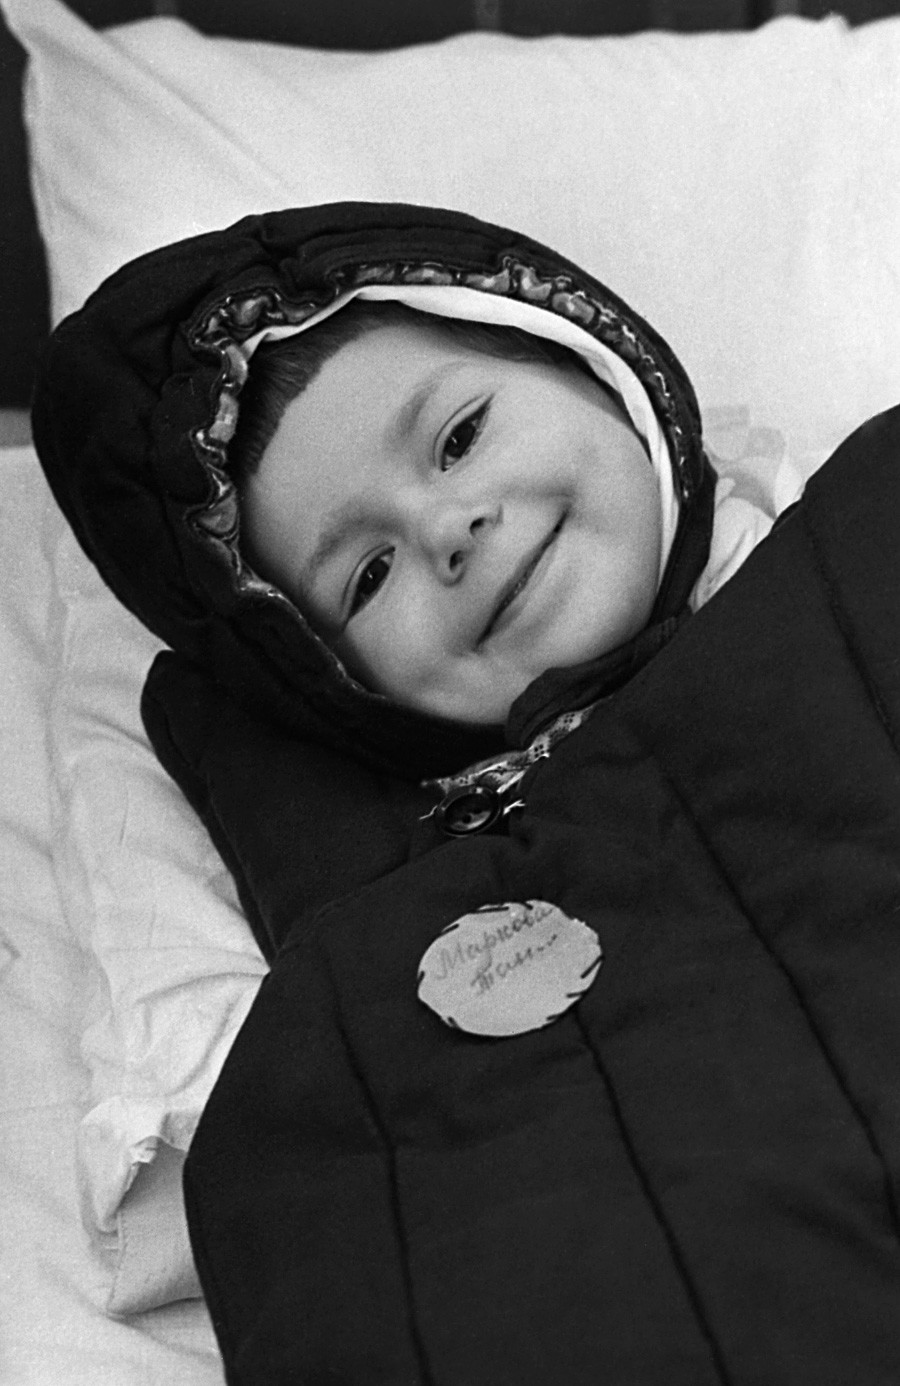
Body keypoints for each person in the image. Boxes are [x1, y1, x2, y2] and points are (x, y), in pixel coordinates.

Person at [32, 203, 900, 1384]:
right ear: (328, 679)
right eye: (368, 571)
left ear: (598, 366)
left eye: (459, 437)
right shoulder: (374, 874)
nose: (451, 529)